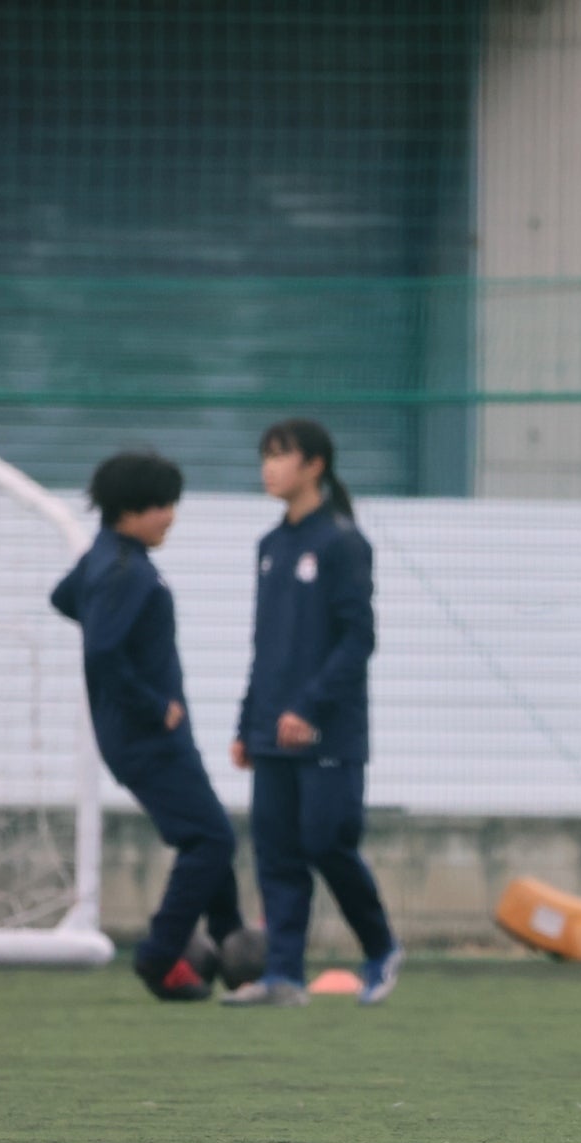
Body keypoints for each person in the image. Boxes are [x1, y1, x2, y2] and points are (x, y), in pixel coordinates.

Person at [51, 451, 246, 1002]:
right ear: (130, 508)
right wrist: (154, 704)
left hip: (139, 734)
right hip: (147, 733)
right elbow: (102, 654)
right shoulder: (125, 570)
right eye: (163, 505)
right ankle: (161, 957)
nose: (171, 516)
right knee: (210, 839)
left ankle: (232, 942)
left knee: (208, 833)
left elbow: (62, 598)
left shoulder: (106, 558)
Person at [226, 419, 401, 1008]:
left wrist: (310, 708)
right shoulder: (270, 547)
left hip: (328, 731)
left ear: (314, 465)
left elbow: (358, 639)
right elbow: (264, 645)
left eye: (281, 456)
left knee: (327, 843)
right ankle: (283, 976)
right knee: (276, 853)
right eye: (265, 456)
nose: (269, 467)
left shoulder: (342, 542)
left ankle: (380, 948)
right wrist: (246, 724)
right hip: (270, 731)